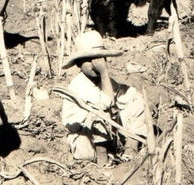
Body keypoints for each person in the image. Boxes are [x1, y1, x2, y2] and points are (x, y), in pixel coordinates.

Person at [61, 30, 148, 164]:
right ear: (78, 64)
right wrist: (104, 72)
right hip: (87, 143)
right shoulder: (79, 85)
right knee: (100, 113)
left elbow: (126, 93)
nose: (97, 65)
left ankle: (131, 148)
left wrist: (142, 101)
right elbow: (106, 103)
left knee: (135, 99)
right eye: (90, 61)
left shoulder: (103, 81)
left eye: (101, 60)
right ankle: (103, 162)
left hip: (109, 138)